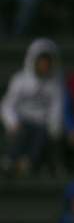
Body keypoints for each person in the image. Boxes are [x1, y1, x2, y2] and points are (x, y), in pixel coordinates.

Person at [1, 38, 63, 176]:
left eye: (48, 63)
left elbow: (56, 108)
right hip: (21, 122)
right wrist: (12, 123)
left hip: (42, 125)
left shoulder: (56, 83)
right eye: (41, 62)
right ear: (33, 61)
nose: (44, 66)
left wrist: (55, 127)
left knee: (42, 134)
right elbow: (7, 105)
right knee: (22, 132)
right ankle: (9, 161)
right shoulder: (19, 80)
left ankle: (27, 164)